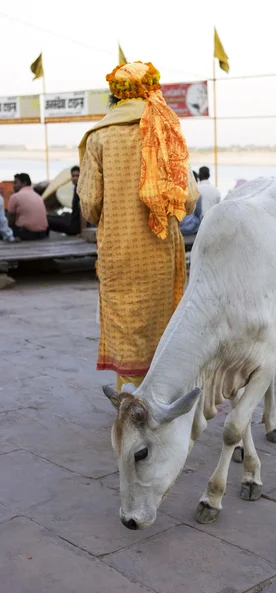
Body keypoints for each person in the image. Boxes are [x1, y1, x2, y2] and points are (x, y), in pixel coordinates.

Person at [78, 60, 199, 392]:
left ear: (114, 96)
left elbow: (89, 204)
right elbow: (188, 199)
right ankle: (160, 391)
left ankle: (128, 394)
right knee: (161, 320)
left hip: (118, 249)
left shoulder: (99, 136)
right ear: (151, 90)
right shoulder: (165, 130)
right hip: (159, 251)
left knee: (125, 321)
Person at [47, 166, 87, 236]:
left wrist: (83, 232)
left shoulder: (81, 190)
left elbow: (83, 212)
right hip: (73, 221)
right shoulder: (76, 188)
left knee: (46, 219)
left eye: (77, 176)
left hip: (75, 227)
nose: (75, 178)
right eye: (73, 176)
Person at [7, 173, 48, 241]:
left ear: (24, 183)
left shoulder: (15, 196)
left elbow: (10, 220)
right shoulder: (38, 196)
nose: (13, 186)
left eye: (15, 183)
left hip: (26, 233)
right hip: (42, 234)